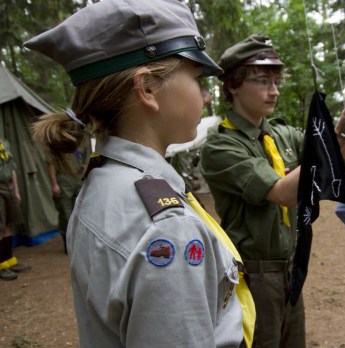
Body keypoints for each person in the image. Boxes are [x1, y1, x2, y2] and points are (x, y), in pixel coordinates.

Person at [26, 0, 254, 346]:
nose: (207, 96)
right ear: (147, 88)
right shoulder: (168, 227)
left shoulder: (104, 179)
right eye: (197, 79)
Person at [200, 34, 345, 348]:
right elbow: (284, 192)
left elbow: (330, 154)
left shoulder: (279, 133)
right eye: (263, 81)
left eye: (276, 81)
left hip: (291, 268)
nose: (274, 90)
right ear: (233, 85)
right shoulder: (222, 143)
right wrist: (332, 139)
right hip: (254, 276)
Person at [47, 139, 90, 254]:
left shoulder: (81, 142)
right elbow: (51, 164)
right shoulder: (58, 140)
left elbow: (86, 162)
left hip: (78, 178)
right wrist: (54, 184)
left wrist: (85, 179)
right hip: (64, 178)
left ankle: (79, 243)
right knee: (66, 212)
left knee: (81, 211)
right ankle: (68, 243)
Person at [0, 137, 30, 281]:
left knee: (9, 224)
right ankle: (1, 265)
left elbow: (11, 168)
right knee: (0, 226)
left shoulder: (4, 143)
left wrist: (16, 190)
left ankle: (9, 259)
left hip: (9, 186)